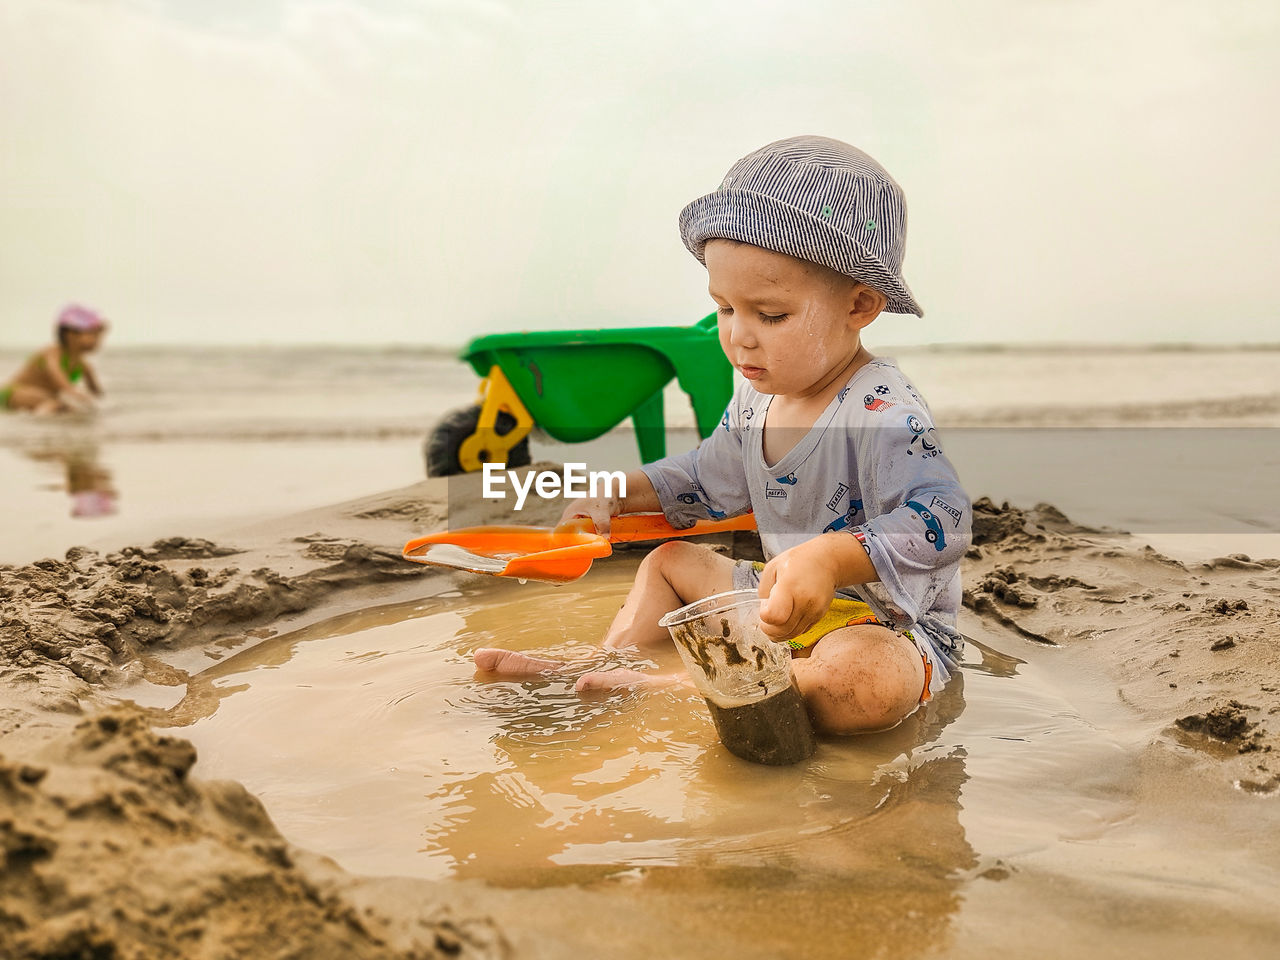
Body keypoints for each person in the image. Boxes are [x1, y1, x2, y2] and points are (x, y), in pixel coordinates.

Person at [475, 136, 971, 735]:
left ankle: (672, 691)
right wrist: (613, 492)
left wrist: (830, 558)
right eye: (724, 309)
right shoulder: (756, 397)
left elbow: (941, 517)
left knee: (865, 682)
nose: (739, 336)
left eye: (771, 314)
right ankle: (610, 663)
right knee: (669, 561)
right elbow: (703, 478)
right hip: (777, 610)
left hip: (884, 626)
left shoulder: (879, 407)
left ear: (860, 304)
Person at [1, 304, 108, 414]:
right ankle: (40, 427)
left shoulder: (85, 366)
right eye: (92, 335)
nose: (97, 340)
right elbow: (55, 372)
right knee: (55, 404)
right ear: (70, 334)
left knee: (65, 407)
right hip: (12, 393)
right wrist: (72, 391)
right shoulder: (52, 353)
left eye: (99, 336)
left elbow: (98, 394)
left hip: (42, 397)